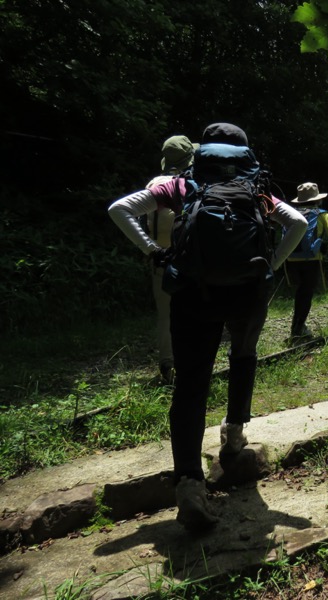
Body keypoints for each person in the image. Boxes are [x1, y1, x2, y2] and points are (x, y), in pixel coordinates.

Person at [108, 123, 307, 530]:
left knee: (191, 384)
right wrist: (270, 265)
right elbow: (298, 224)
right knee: (243, 356)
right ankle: (233, 436)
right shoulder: (257, 190)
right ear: (244, 154)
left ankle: (189, 485)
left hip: (192, 293)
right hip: (247, 294)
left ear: (205, 151)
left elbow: (120, 209)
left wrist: (153, 250)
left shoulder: (180, 186)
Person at [144, 135, 197, 384]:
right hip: (183, 258)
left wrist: (149, 248)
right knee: (191, 313)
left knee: (165, 315)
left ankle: (167, 364)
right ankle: (188, 365)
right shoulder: (184, 185)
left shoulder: (153, 183)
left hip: (157, 257)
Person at [284, 182, 328, 343]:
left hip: (290, 258)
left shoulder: (289, 213)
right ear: (317, 199)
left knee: (300, 293)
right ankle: (298, 329)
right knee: (306, 294)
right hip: (311, 259)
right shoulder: (321, 214)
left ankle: (297, 326)